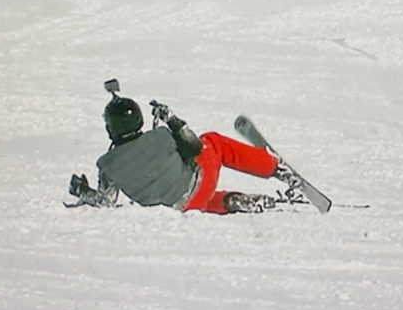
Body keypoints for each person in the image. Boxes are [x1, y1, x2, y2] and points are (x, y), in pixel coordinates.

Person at [68, 80, 301, 214]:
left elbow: (105, 201)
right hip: (200, 183)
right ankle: (273, 167)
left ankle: (232, 201)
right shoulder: (160, 136)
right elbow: (194, 147)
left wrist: (82, 190)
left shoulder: (107, 165)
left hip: (180, 207)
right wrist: (172, 119)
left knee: (200, 201)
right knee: (213, 142)